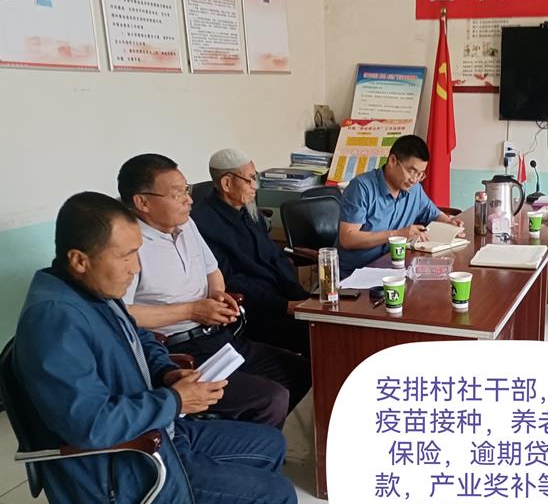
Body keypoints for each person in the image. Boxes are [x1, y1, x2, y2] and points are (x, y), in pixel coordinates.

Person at [13, 192, 297, 504]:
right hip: (117, 474)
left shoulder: (93, 290)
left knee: (270, 445)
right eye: (126, 256)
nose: (137, 268)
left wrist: (167, 375)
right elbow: (89, 425)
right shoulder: (55, 318)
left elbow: (141, 338)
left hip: (156, 436)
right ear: (79, 259)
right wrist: (175, 400)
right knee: (278, 499)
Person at [118, 153, 310, 428]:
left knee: (302, 371)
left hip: (217, 337)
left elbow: (213, 270)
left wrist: (218, 294)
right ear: (142, 202)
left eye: (187, 190)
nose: (189, 200)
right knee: (271, 397)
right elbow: (122, 314)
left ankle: (255, 438)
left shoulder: (187, 224)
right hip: (176, 352)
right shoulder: (127, 244)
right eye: (178, 194)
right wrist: (191, 311)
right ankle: (243, 443)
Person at [191, 148, 311, 356]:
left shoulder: (248, 209)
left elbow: (275, 256)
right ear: (227, 183)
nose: (255, 186)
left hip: (285, 299)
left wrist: (302, 298)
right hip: (257, 311)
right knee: (319, 336)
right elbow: (231, 281)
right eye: (249, 180)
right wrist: (286, 306)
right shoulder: (202, 224)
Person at [338, 134, 463, 276]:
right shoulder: (361, 188)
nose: (414, 179)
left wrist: (449, 222)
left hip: (393, 268)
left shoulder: (414, 189)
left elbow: (433, 213)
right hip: (356, 274)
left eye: (420, 174)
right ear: (392, 161)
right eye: (411, 171)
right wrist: (396, 235)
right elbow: (348, 238)